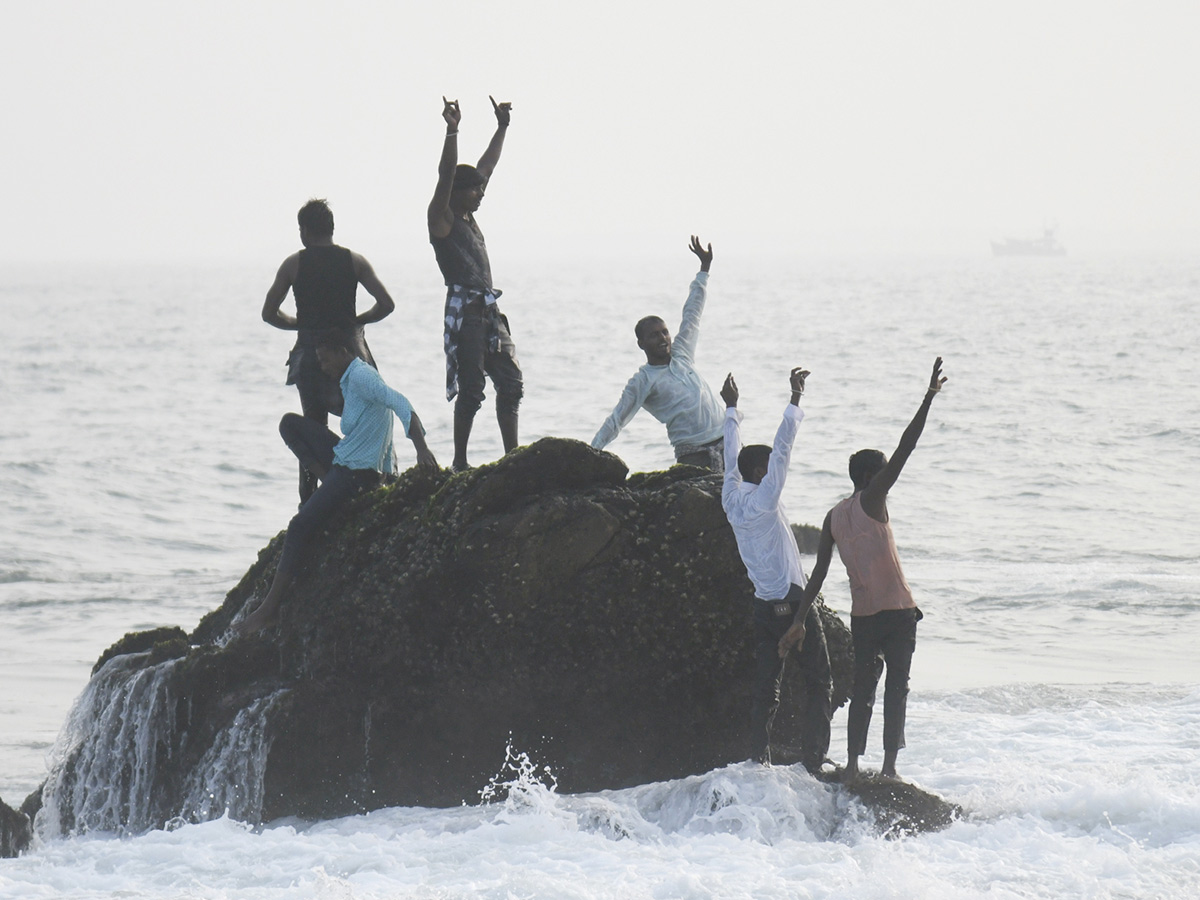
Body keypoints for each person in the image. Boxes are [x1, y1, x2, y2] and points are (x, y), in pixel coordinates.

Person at [778, 357, 948, 781]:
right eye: (883, 473)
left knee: (863, 691)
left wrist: (799, 619)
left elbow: (816, 576)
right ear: (873, 477)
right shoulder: (873, 500)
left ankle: (854, 765)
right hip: (898, 613)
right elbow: (907, 447)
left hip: (863, 617)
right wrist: (928, 398)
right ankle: (889, 769)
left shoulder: (834, 516)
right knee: (895, 690)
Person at [236, 331, 438, 635]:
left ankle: (268, 610)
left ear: (343, 350)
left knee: (299, 526)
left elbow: (400, 402)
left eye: (325, 358)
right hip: (345, 460)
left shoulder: (361, 377)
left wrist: (421, 447)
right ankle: (326, 481)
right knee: (289, 424)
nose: (323, 365)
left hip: (358, 473)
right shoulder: (348, 379)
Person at [720, 367, 832, 770]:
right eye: (767, 467)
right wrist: (795, 398)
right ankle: (815, 761)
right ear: (760, 473)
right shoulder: (764, 499)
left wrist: (731, 409)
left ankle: (758, 758)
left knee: (766, 688)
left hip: (762, 607)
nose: (774, 470)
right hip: (791, 601)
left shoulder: (731, 499)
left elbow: (729, 456)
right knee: (819, 682)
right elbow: (782, 449)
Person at [262, 198, 398, 502]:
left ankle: (310, 498)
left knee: (312, 426)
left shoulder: (293, 264)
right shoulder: (355, 261)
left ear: (305, 231)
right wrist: (356, 322)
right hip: (350, 352)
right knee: (371, 415)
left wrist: (300, 325)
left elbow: (269, 313)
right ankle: (384, 482)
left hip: (311, 356)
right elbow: (386, 305)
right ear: (331, 229)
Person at [429, 96, 523, 472]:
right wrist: (452, 130)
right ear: (457, 191)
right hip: (465, 311)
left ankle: (513, 456)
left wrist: (502, 127)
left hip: (489, 311)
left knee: (511, 382)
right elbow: (447, 174)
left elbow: (485, 167)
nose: (481, 194)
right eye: (475, 190)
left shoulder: (468, 213)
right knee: (471, 390)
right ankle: (459, 462)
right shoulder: (443, 217)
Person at [592, 237, 726, 471]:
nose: (663, 338)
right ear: (641, 344)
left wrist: (704, 270)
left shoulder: (682, 354)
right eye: (654, 335)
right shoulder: (643, 381)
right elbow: (617, 419)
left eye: (665, 332)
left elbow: (692, 314)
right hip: (695, 454)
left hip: (728, 441)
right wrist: (591, 453)